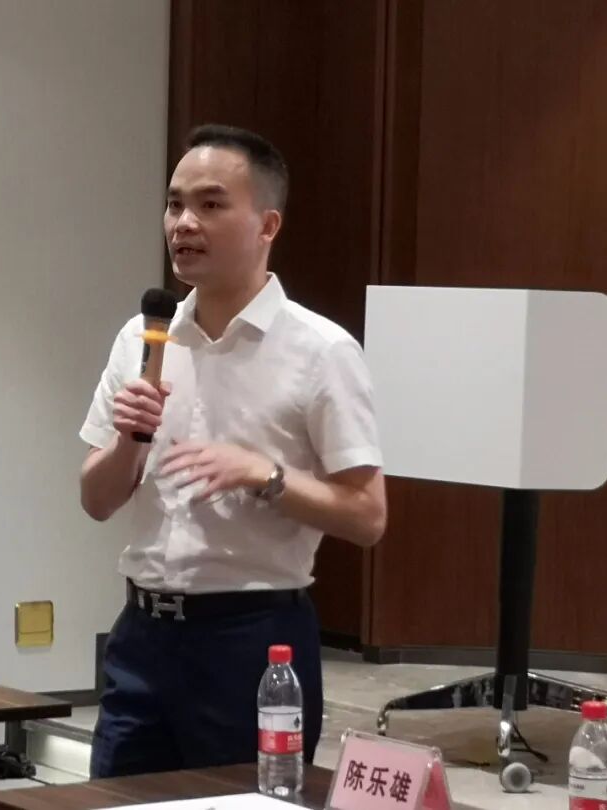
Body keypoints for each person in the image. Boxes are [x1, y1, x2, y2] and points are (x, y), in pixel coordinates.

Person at [79, 124, 387, 778]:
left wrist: (264, 474)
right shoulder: (143, 336)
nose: (183, 223)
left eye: (210, 204)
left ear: (267, 224)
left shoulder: (321, 352)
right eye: (174, 204)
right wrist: (128, 441)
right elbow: (97, 501)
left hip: (252, 644)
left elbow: (368, 516)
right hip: (141, 634)